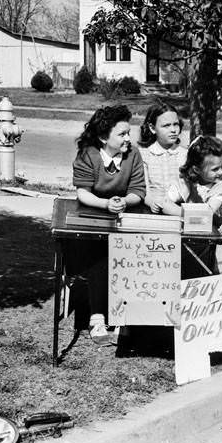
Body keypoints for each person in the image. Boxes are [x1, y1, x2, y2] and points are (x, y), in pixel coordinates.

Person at [72, 104, 145, 344]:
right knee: (99, 256)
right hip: (92, 215)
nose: (128, 138)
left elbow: (138, 191)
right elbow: (83, 193)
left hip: (124, 215)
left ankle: (124, 314)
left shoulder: (133, 155)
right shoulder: (87, 154)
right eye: (122, 134)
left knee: (131, 255)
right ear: (104, 137)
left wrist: (123, 201)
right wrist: (105, 204)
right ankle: (97, 316)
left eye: (128, 132)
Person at [161, 135, 222, 273]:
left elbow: (206, 214)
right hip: (205, 230)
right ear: (197, 170)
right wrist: (165, 203)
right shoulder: (190, 181)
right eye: (215, 169)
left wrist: (179, 212)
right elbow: (166, 201)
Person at [138, 102, 187, 213]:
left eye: (176, 124)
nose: (173, 130)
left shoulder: (185, 154)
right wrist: (150, 201)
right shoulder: (144, 154)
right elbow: (143, 188)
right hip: (151, 209)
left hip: (179, 208)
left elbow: (188, 188)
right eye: (166, 125)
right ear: (152, 128)